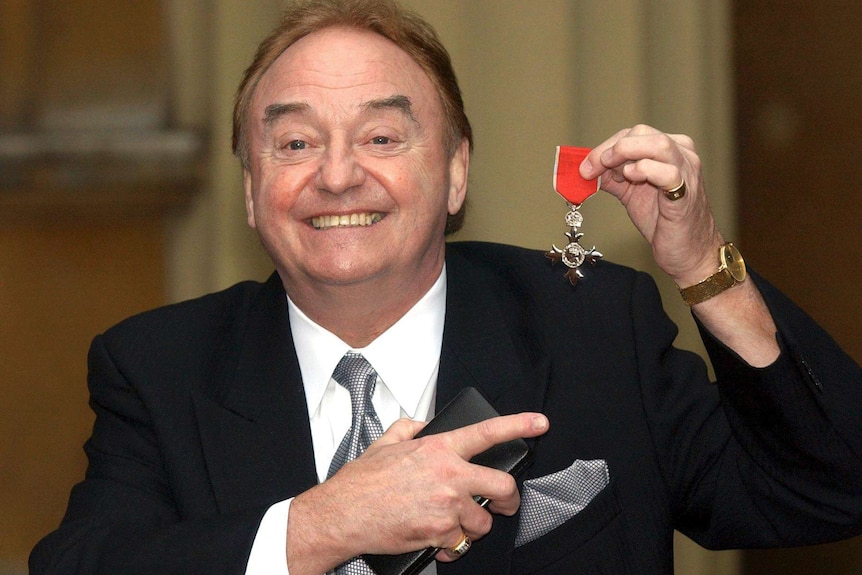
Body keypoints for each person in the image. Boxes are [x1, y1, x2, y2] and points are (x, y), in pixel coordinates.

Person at [30, 0, 862, 574]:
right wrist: (321, 526)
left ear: (457, 171)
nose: (338, 175)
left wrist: (702, 265)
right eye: (292, 145)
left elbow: (831, 486)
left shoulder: (594, 327)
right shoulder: (158, 365)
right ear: (250, 189)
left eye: (382, 135)